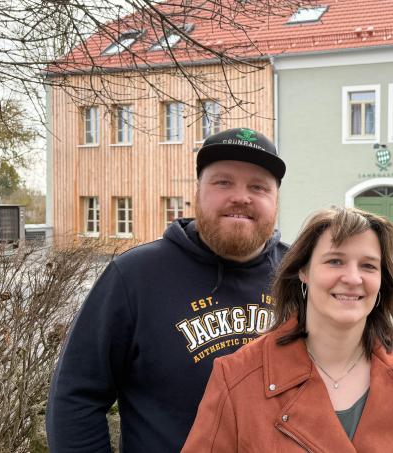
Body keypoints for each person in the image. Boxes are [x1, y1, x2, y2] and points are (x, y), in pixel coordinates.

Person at [47, 128, 288, 452]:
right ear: (197, 191)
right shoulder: (134, 276)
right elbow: (75, 398)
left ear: (275, 200)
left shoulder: (300, 276)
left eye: (258, 186)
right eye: (223, 182)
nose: (241, 197)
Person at [182, 207, 393, 452]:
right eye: (335, 261)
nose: (353, 278)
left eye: (368, 265)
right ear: (304, 271)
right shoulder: (238, 376)